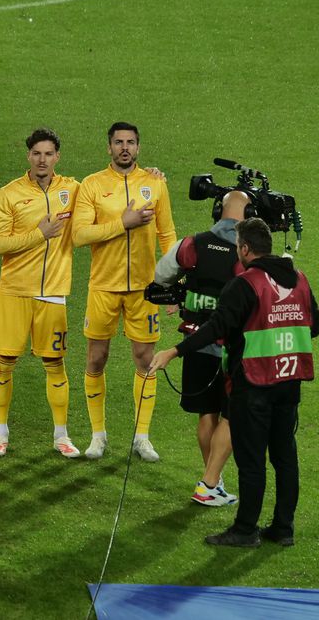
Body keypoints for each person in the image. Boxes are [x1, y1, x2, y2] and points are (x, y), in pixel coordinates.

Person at [149, 218, 316, 547]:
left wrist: (174, 351)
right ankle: (283, 528)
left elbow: (216, 327)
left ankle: (245, 530)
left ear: (245, 249)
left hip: (253, 382)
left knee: (251, 460)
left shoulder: (245, 284)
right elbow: (314, 324)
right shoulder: (299, 279)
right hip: (289, 381)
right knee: (285, 457)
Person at [72, 121, 176, 461]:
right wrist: (123, 224)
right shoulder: (92, 185)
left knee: (145, 359)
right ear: (109, 147)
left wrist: (174, 283)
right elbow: (79, 235)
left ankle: (141, 437)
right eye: (118, 142)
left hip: (145, 289)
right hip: (103, 286)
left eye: (130, 142)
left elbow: (167, 235)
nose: (125, 148)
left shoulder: (155, 183)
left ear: (138, 147)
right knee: (96, 358)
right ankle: (97, 436)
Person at [0, 128, 82, 458]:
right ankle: (0, 434)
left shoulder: (72, 189)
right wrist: (38, 234)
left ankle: (61, 436)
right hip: (14, 292)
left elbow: (103, 190)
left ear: (57, 157)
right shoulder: (10, 193)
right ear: (28, 155)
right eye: (37, 153)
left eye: (48, 154)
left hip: (53, 292)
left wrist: (151, 174)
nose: (42, 160)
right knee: (4, 363)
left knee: (55, 363)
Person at [153, 190, 250, 506]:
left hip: (195, 343)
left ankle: (212, 483)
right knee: (232, 416)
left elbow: (161, 276)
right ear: (250, 215)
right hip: (234, 349)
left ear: (218, 210)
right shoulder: (247, 251)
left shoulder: (192, 244)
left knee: (207, 413)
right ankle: (210, 482)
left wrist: (184, 291)